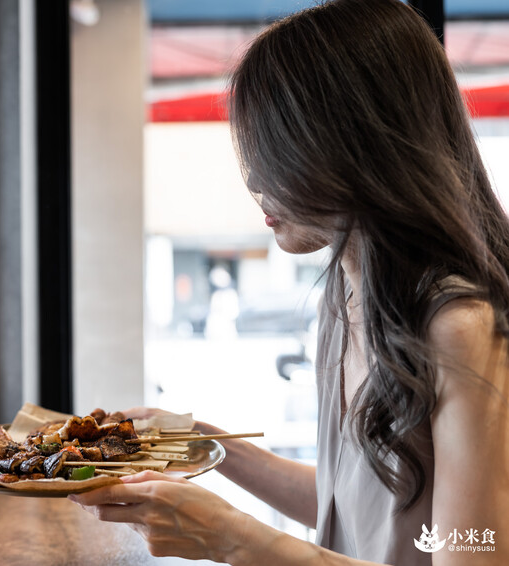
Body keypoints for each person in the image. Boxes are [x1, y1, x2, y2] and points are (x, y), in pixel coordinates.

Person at [69, 0, 509, 564]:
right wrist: (208, 445)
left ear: (353, 142)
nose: (254, 178)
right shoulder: (345, 297)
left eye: (274, 148)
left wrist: (233, 538)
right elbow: (348, 509)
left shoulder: (460, 328)